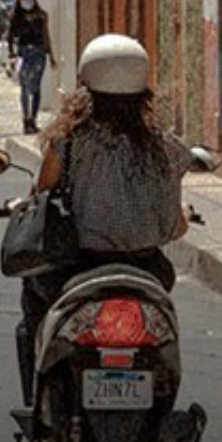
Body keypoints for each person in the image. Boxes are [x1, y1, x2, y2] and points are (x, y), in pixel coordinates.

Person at [14, 34, 192, 406]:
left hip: (79, 268)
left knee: (34, 299)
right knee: (161, 331)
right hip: (147, 270)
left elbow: (41, 196)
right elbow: (175, 226)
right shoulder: (166, 148)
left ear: (85, 87)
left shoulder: (69, 141)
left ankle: (36, 400)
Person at [5, 0, 51, 132]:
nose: (27, 1)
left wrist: (51, 53)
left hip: (39, 53)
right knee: (24, 87)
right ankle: (26, 119)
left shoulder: (41, 15)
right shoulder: (16, 17)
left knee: (36, 87)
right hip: (23, 54)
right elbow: (10, 37)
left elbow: (45, 34)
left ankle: (33, 119)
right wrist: (11, 54)